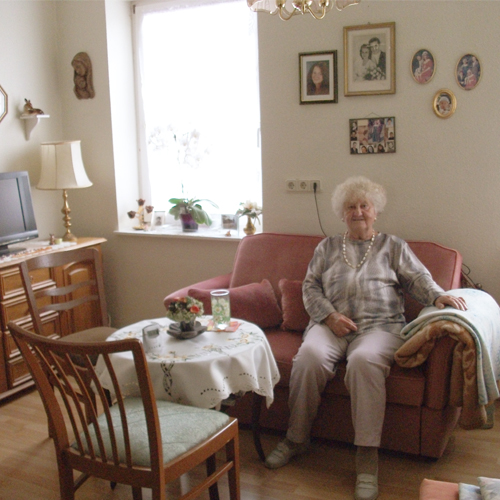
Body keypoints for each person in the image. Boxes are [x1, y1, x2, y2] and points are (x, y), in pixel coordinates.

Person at [264, 176, 467, 500]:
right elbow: (310, 287)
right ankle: (296, 439)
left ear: (375, 211)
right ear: (341, 213)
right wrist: (329, 316)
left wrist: (439, 296)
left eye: (364, 206)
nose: (358, 211)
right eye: (350, 207)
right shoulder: (327, 247)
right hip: (331, 324)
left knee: (363, 361)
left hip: (380, 326)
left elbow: (418, 278)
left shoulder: (393, 246)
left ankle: (367, 459)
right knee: (309, 358)